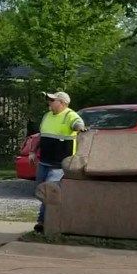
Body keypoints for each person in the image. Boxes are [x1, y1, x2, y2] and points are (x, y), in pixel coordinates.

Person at [33, 90, 87, 232]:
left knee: (49, 192)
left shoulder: (70, 115)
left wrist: (80, 128)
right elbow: (41, 136)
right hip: (44, 162)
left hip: (59, 165)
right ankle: (48, 220)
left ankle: (43, 222)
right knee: (41, 192)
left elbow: (78, 123)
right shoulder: (47, 116)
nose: (49, 102)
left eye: (52, 100)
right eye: (49, 100)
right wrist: (33, 152)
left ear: (62, 103)